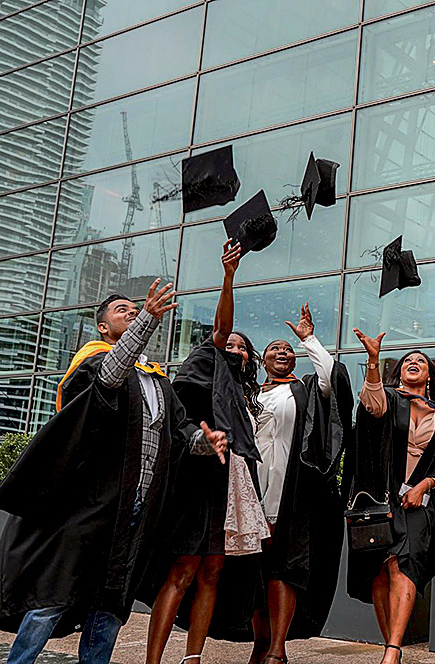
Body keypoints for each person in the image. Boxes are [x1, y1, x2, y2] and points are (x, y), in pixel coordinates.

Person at [0, 281, 231, 664]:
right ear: (102, 327)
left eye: (136, 310)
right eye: (123, 311)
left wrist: (204, 440)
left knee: (111, 602)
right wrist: (147, 317)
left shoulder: (157, 380)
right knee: (56, 593)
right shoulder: (95, 361)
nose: (131, 313)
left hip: (134, 511)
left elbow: (179, 430)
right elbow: (109, 379)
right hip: (87, 507)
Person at [145, 240, 270, 664]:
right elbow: (218, 333)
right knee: (184, 569)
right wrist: (229, 277)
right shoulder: (205, 358)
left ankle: (193, 658)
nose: (234, 349)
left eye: (241, 348)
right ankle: (153, 660)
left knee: (214, 571)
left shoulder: (244, 390)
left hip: (232, 481)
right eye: (229, 344)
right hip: (200, 474)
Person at [242, 302, 353, 664]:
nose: (282, 352)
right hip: (252, 489)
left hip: (293, 491)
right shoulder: (251, 395)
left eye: (287, 350)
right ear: (263, 361)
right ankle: (260, 641)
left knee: (284, 566)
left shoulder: (305, 390)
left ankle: (278, 647)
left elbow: (331, 377)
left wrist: (308, 339)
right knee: (254, 570)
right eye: (275, 348)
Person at [347, 330, 435, 664]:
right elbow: (372, 405)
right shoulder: (391, 399)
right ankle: (390, 644)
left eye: (420, 361)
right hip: (382, 499)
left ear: (430, 376)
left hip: (418, 504)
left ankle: (393, 650)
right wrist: (372, 362)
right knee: (380, 570)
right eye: (408, 360)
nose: (413, 363)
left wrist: (425, 485)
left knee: (403, 566)